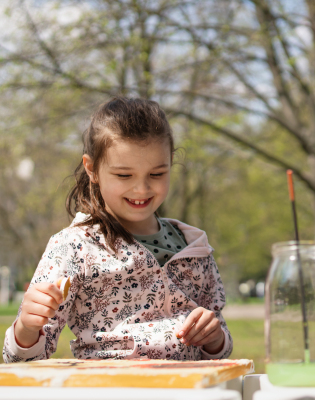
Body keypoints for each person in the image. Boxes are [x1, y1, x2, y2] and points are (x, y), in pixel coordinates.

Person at [3, 97, 232, 362]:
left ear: (171, 163)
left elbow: (222, 349)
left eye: (157, 174)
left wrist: (215, 339)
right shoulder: (74, 247)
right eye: (124, 175)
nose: (142, 189)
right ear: (92, 169)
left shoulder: (195, 246)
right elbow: (20, 361)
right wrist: (26, 328)